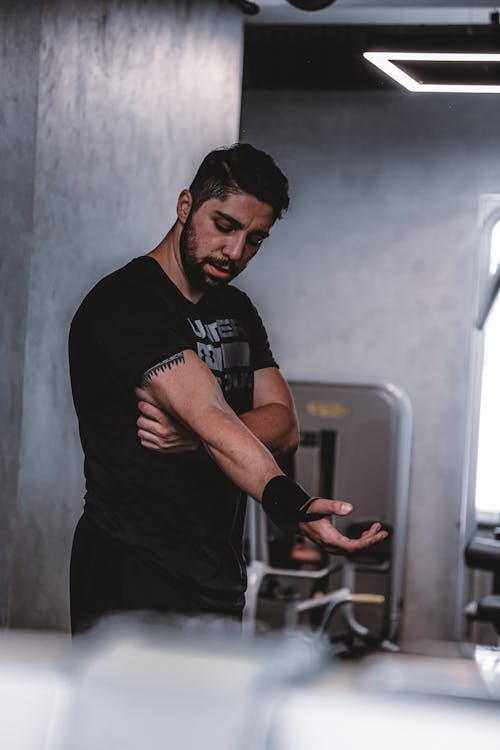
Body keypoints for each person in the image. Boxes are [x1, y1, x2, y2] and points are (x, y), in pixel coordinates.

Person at [68, 143, 387, 633]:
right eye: (225, 226)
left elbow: (285, 425)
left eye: (255, 239)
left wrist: (197, 437)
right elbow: (213, 415)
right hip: (132, 575)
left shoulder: (235, 309)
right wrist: (294, 505)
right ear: (185, 206)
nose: (236, 252)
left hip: (216, 577)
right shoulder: (128, 303)